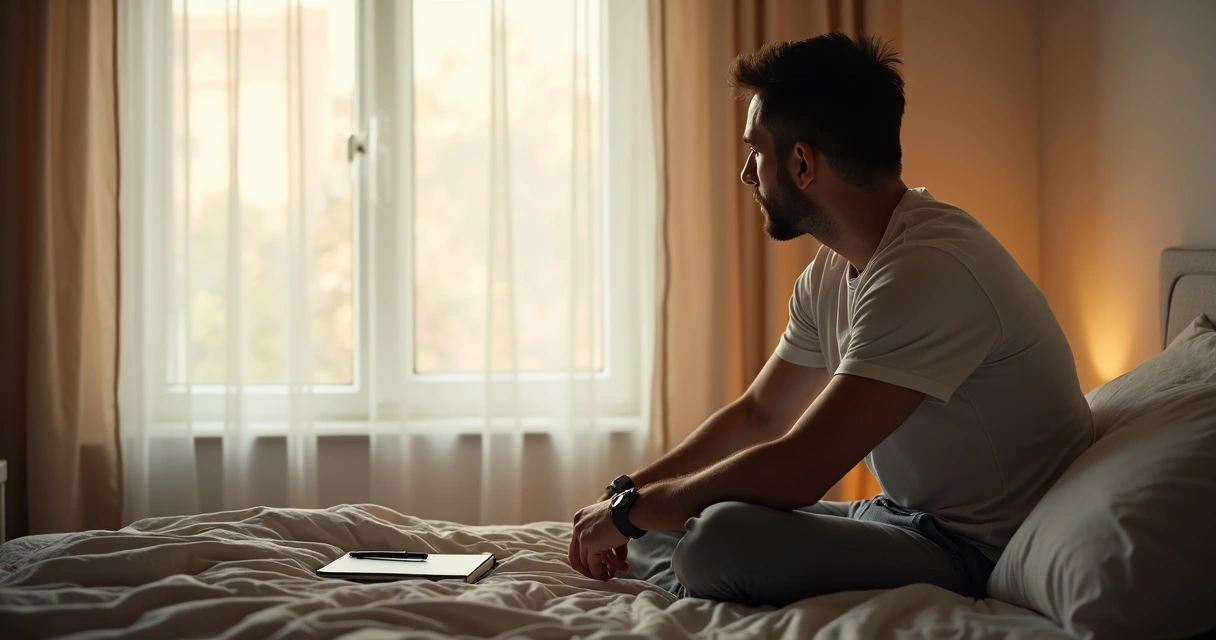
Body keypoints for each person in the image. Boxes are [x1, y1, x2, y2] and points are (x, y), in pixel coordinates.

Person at [565, 32, 1095, 608]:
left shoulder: (929, 269)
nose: (747, 174)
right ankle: (691, 568)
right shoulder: (833, 268)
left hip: (971, 548)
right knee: (673, 519)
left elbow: (802, 470)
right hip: (891, 516)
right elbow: (759, 413)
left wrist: (633, 514)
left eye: (756, 152)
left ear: (801, 162)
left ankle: (696, 575)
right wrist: (629, 494)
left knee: (714, 539)